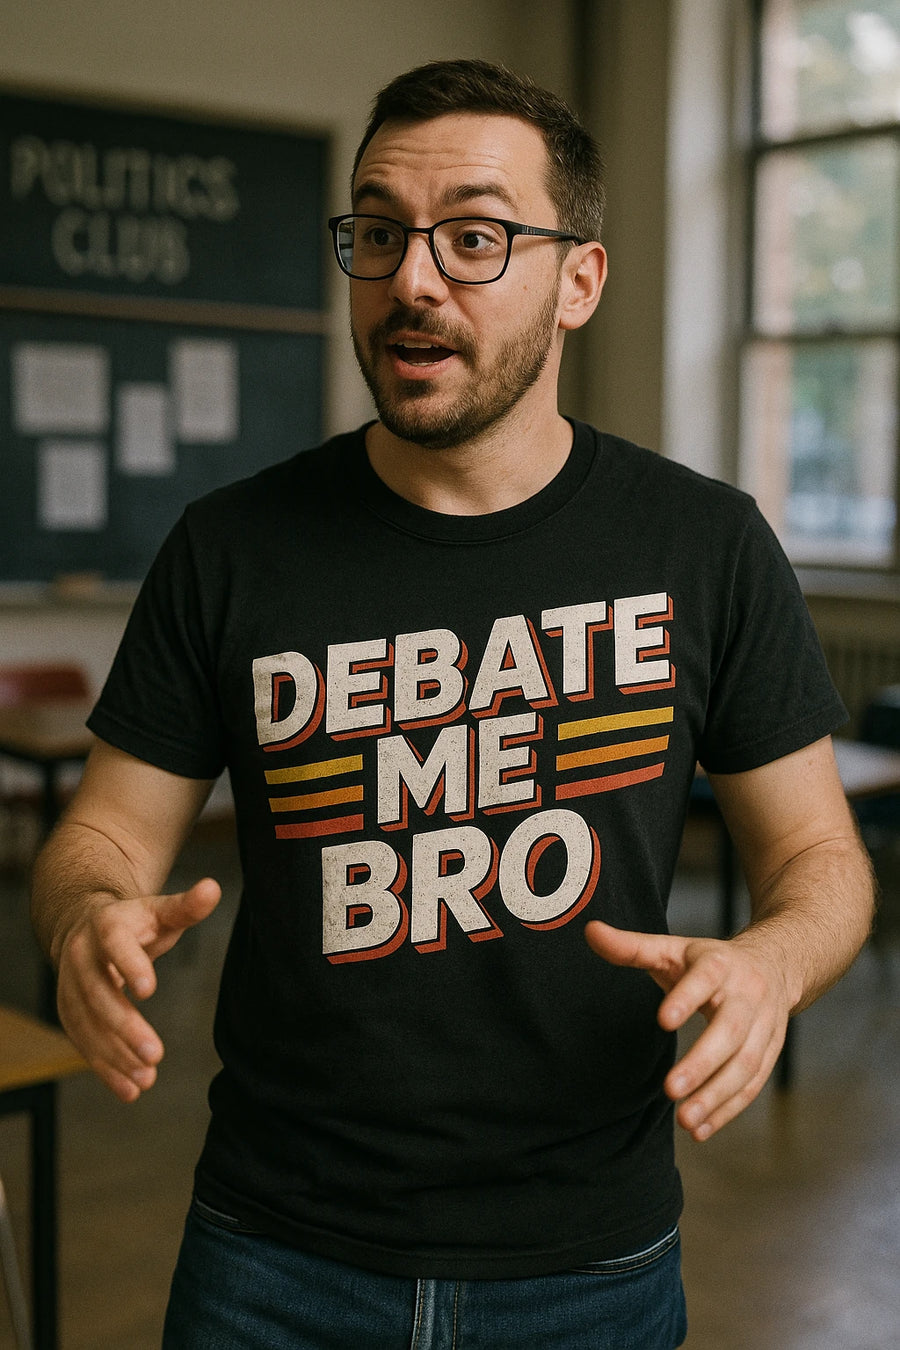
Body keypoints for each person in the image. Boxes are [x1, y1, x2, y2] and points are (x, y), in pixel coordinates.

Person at [31, 58, 874, 1350]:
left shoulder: (703, 546)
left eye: (475, 237)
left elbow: (821, 857)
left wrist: (773, 960)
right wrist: (89, 911)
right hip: (275, 1256)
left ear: (577, 279)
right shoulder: (230, 549)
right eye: (379, 233)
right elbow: (98, 837)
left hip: (591, 1260)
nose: (413, 279)